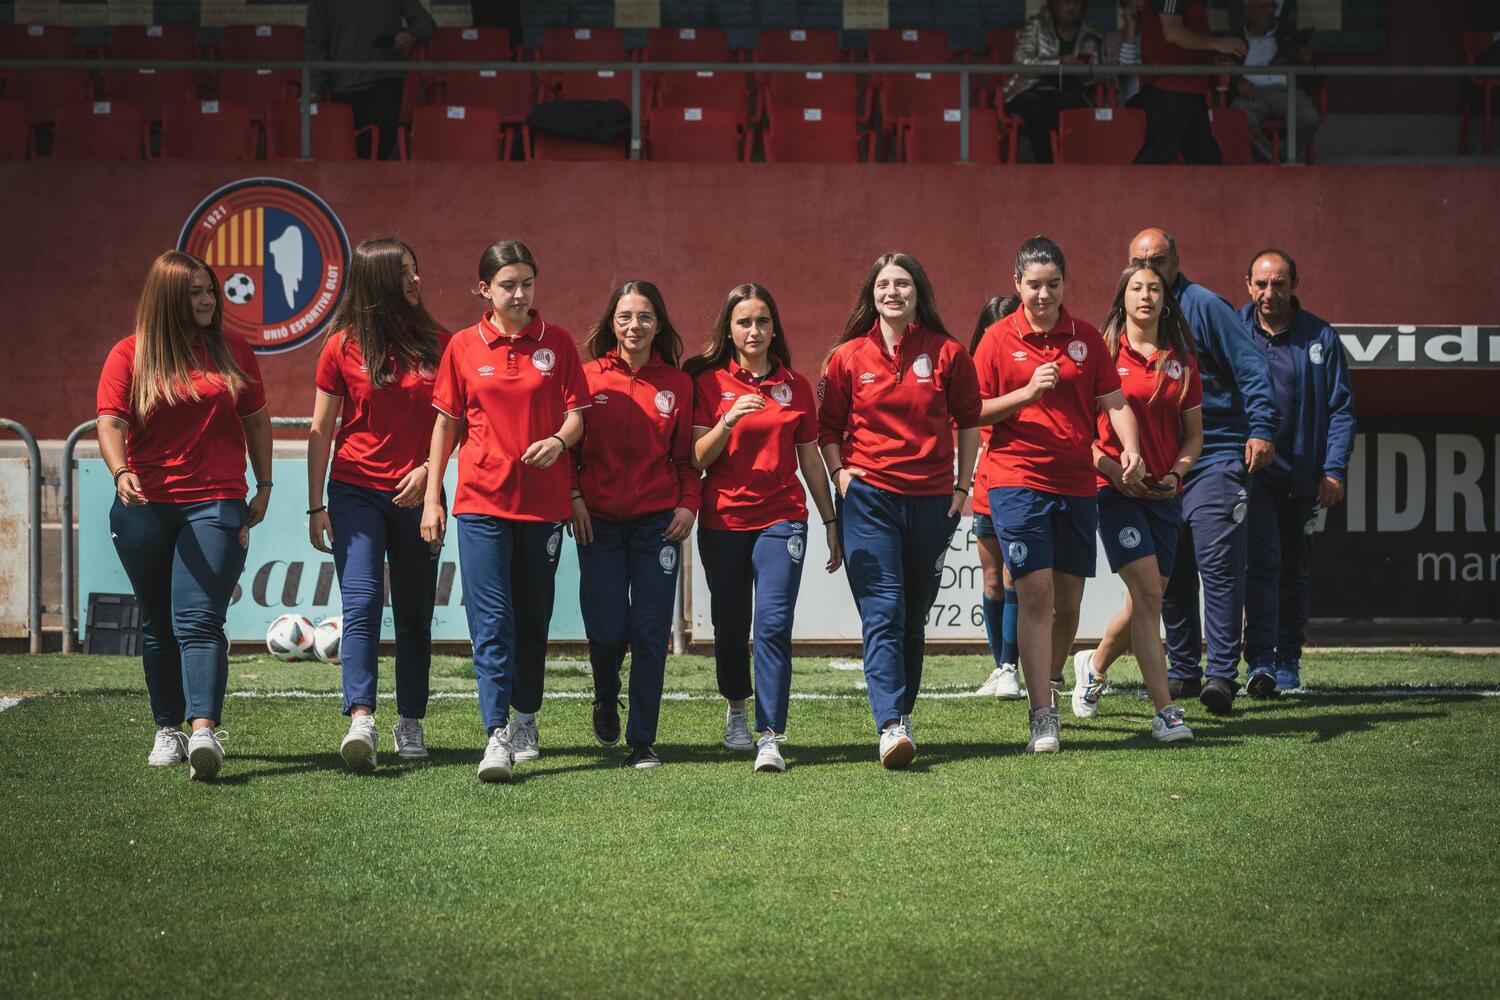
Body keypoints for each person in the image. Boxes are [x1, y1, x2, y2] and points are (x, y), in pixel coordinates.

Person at [96, 250, 272, 781]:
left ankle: (202, 732)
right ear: (168, 297)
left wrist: (265, 485)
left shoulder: (234, 351)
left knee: (199, 619)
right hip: (144, 506)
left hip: (217, 501)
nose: (208, 300)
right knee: (157, 624)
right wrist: (120, 472)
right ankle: (168, 727)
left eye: (210, 290)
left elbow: (257, 421)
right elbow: (110, 422)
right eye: (195, 292)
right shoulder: (129, 354)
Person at [422, 240, 589, 783]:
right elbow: (445, 424)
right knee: (491, 622)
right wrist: (433, 496)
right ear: (484, 289)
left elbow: (577, 417)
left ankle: (526, 719)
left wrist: (558, 442)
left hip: (543, 508)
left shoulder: (558, 343)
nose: (519, 294)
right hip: (480, 504)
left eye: (527, 284)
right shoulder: (462, 346)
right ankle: (496, 734)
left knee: (532, 620)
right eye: (508, 285)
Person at [972, 236, 1144, 754]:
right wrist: (1026, 392)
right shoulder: (996, 340)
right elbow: (971, 411)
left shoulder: (1087, 339)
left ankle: (1047, 679)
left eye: (1052, 284)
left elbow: (1115, 402)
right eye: (1034, 285)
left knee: (1069, 603)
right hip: (1016, 482)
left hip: (1077, 485)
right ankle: (1042, 714)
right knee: (1036, 595)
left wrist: (1131, 448)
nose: (1043, 294)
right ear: (1017, 284)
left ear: (1065, 283)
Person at [818, 253, 981, 769]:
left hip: (933, 501)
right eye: (884, 284)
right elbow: (826, 429)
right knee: (884, 609)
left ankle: (901, 716)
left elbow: (970, 423)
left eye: (903, 283)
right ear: (871, 294)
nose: (893, 292)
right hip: (869, 500)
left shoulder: (949, 352)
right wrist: (840, 474)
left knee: (912, 619)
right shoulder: (845, 357)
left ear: (918, 292)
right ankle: (890, 724)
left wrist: (962, 487)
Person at [307, 238, 449, 772]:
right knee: (362, 602)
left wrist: (429, 475)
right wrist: (315, 506)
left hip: (420, 495)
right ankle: (361, 718)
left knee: (414, 614)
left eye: (416, 270)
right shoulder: (341, 346)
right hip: (354, 491)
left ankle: (409, 720)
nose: (416, 281)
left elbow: (454, 423)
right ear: (379, 280)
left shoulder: (441, 343)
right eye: (405, 273)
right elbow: (322, 429)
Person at [1127, 228, 1279, 715]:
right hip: (1159, 462)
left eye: (1158, 260)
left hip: (1215, 455)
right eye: (1139, 261)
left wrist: (1261, 429)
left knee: (1218, 567)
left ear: (1176, 262)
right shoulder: (1128, 312)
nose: (1149, 269)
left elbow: (1252, 368)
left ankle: (1221, 675)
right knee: (1170, 572)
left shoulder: (1206, 307)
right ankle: (1184, 670)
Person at [689, 284, 839, 774]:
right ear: (729, 330)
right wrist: (728, 421)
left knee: (773, 626)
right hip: (723, 520)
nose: (754, 331)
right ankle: (736, 706)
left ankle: (770, 735)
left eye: (762, 321)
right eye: (744, 322)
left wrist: (831, 520)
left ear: (775, 328)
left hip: (782, 518)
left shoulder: (796, 385)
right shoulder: (708, 384)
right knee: (731, 627)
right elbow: (697, 458)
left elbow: (811, 461)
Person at [1070, 263, 1202, 742]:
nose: (1146, 296)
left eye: (1154, 289)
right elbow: (1078, 435)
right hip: (1114, 494)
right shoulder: (1102, 354)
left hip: (1164, 497)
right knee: (1148, 595)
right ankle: (1165, 711)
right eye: (1136, 288)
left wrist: (1175, 475)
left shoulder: (1182, 363)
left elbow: (1194, 438)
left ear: (1165, 301)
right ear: (1122, 298)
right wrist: (1110, 469)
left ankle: (1094, 666)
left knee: (1146, 599)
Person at [571, 280, 700, 769]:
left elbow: (687, 461)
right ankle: (606, 695)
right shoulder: (587, 378)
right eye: (625, 316)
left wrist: (687, 506)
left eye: (644, 316)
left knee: (649, 633)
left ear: (658, 323)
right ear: (612, 323)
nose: (634, 326)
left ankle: (642, 739)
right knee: (606, 633)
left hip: (657, 526)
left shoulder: (678, 384)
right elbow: (568, 451)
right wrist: (574, 498)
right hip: (598, 525)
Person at [1239, 249, 1355, 694]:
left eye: (1279, 283)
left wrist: (1334, 469)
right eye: (1262, 283)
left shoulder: (1320, 337)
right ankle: (1260, 661)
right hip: (1254, 475)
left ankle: (1288, 657)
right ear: (1248, 285)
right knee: (1262, 566)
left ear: (1293, 286)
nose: (1270, 292)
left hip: (1304, 476)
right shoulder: (1234, 329)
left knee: (1295, 570)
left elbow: (1341, 409)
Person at [969, 296, 1026, 700]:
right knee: (993, 581)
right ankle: (1001, 667)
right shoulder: (975, 367)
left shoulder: (1032, 368)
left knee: (1014, 577)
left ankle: (1011, 666)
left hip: (1021, 483)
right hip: (986, 486)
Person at [305, 0, 435, 160]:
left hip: (386, 77)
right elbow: (315, 43)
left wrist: (412, 35)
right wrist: (314, 88)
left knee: (379, 147)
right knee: (355, 151)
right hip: (345, 83)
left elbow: (426, 24)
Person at [1134, 0, 1246, 164]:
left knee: (1205, 159)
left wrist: (1210, 58)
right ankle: (1128, 183)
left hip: (1190, 87)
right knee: (1156, 157)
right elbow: (1173, 32)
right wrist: (1216, 43)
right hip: (1169, 87)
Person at [1002, 0, 1104, 163]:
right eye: (1065, 2)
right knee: (1035, 105)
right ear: (1053, 4)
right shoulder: (1036, 25)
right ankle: (1048, 165)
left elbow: (1099, 74)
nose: (1071, 7)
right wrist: (1059, 62)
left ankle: (1068, 164)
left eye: (1077, 4)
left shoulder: (1090, 35)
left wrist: (1084, 74)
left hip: (1068, 92)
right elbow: (1021, 60)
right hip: (1029, 89)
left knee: (1070, 103)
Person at [1233, 0, 1319, 162]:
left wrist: (1307, 63)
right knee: (1238, 117)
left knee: (1310, 118)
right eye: (1264, 6)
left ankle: (1280, 155)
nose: (1270, 11)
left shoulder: (1289, 36)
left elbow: (1315, 79)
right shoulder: (1234, 38)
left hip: (1287, 92)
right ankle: (1273, 158)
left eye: (1273, 6)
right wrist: (1236, 81)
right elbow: (1219, 71)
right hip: (1252, 95)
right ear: (1248, 10)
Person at [1100, 0, 1146, 107]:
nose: (1138, 14)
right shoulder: (1112, 39)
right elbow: (1125, 69)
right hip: (1131, 97)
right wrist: (1130, 28)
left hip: (1156, 92)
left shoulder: (1159, 37)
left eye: (1142, 9)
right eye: (1134, 9)